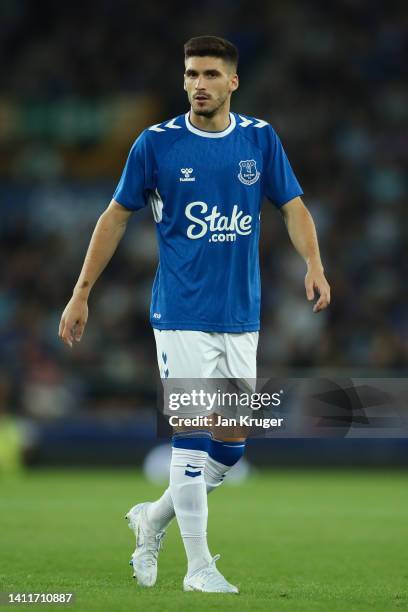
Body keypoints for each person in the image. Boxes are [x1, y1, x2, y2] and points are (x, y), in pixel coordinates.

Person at [58, 35, 330, 594]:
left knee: (229, 449)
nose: (198, 84)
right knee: (190, 435)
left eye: (209, 74)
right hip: (180, 311)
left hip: (241, 315)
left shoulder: (259, 139)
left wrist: (315, 264)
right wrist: (81, 292)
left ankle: (152, 520)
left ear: (233, 81)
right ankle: (199, 569)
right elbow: (113, 218)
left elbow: (294, 206)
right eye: (190, 74)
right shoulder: (156, 145)